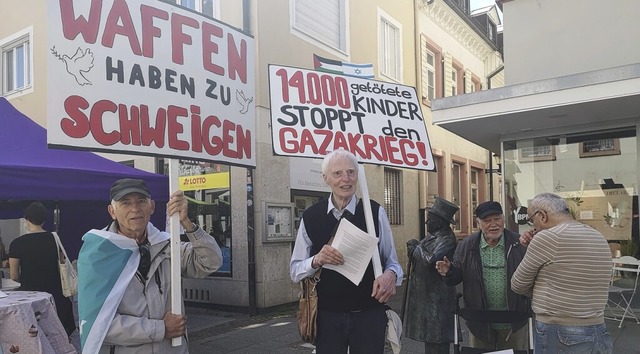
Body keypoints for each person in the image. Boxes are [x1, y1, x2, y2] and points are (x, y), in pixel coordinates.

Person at [77, 178, 222, 353]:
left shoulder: (166, 245)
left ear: (152, 206)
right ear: (112, 211)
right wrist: (161, 329)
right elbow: (98, 325)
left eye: (141, 201)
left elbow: (210, 263)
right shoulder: (98, 255)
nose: (135, 209)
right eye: (125, 203)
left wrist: (187, 223)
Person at [289, 149, 403, 354]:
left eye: (351, 172)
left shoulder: (375, 212)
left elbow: (392, 262)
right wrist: (316, 260)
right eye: (337, 174)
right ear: (325, 179)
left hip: (369, 313)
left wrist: (391, 275)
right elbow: (295, 270)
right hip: (327, 316)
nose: (346, 179)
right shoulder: (311, 216)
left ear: (358, 175)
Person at [513, 193, 613, 353]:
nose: (533, 227)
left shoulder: (548, 237)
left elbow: (518, 284)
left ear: (542, 215)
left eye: (532, 220)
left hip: (559, 331)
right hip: (598, 329)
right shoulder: (597, 236)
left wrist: (539, 289)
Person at [435, 201, 529, 351]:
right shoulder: (467, 245)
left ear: (503, 219)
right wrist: (449, 271)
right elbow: (457, 276)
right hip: (480, 320)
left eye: (497, 219)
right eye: (487, 221)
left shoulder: (518, 243)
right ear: (478, 223)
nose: (493, 224)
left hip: (514, 319)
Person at [8, 202, 77, 336]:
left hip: (30, 296)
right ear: (44, 220)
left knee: (34, 336)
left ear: (26, 219)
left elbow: (14, 275)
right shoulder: (56, 239)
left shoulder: (17, 243)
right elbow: (62, 264)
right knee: (58, 337)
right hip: (56, 296)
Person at [404, 197, 459, 354]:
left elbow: (431, 260)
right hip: (427, 296)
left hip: (438, 299)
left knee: (437, 340)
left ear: (440, 222)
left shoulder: (447, 238)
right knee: (431, 340)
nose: (427, 223)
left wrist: (416, 248)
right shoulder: (433, 236)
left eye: (430, 220)